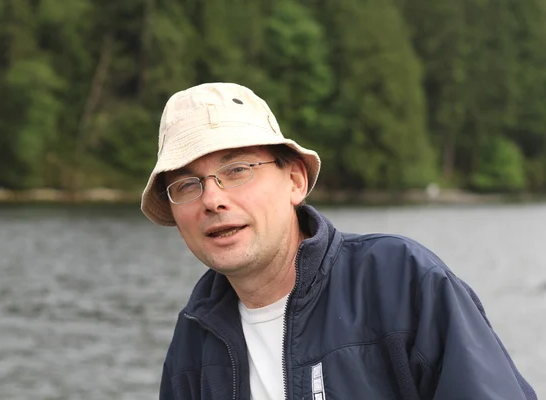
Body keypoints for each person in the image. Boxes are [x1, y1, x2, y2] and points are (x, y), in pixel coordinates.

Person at [141, 82, 537, 400]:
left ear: (294, 181)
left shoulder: (400, 281)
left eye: (239, 169)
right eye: (186, 185)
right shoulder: (194, 336)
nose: (212, 199)